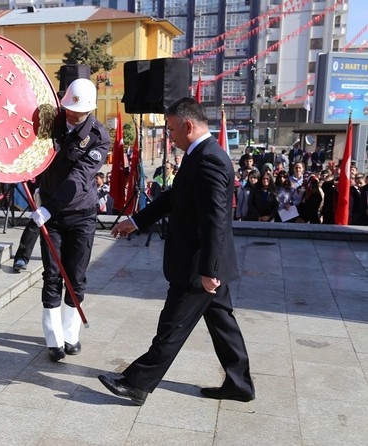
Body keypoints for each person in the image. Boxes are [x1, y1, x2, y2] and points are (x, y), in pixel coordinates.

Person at [98, 97, 254, 406]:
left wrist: (211, 269)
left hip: (198, 265)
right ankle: (239, 384)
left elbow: (215, 220)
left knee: (173, 325)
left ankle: (137, 383)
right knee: (223, 323)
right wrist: (136, 220)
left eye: (171, 130)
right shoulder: (200, 155)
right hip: (203, 262)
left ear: (188, 125)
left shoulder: (209, 159)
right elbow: (173, 198)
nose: (170, 136)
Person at [29, 78, 110, 362]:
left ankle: (70, 332)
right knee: (51, 275)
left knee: (75, 277)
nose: (74, 115)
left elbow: (79, 177)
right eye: (70, 109)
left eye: (80, 112)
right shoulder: (51, 120)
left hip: (80, 214)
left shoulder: (99, 136)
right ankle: (53, 337)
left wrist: (49, 207)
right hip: (50, 214)